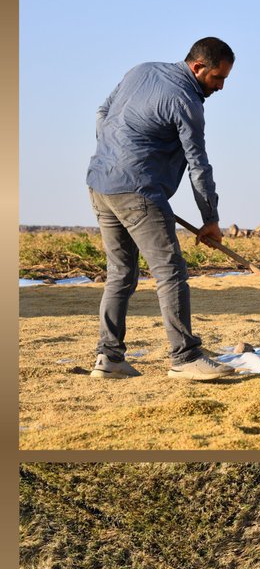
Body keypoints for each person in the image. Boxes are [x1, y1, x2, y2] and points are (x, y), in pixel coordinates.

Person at [86, 37, 237, 381]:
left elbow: (102, 113)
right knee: (170, 272)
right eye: (217, 78)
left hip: (100, 182)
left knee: (120, 274)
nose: (221, 87)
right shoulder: (186, 102)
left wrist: (113, 154)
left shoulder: (141, 71)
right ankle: (184, 357)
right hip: (138, 190)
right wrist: (209, 219)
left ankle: (109, 358)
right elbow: (199, 165)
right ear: (198, 67)